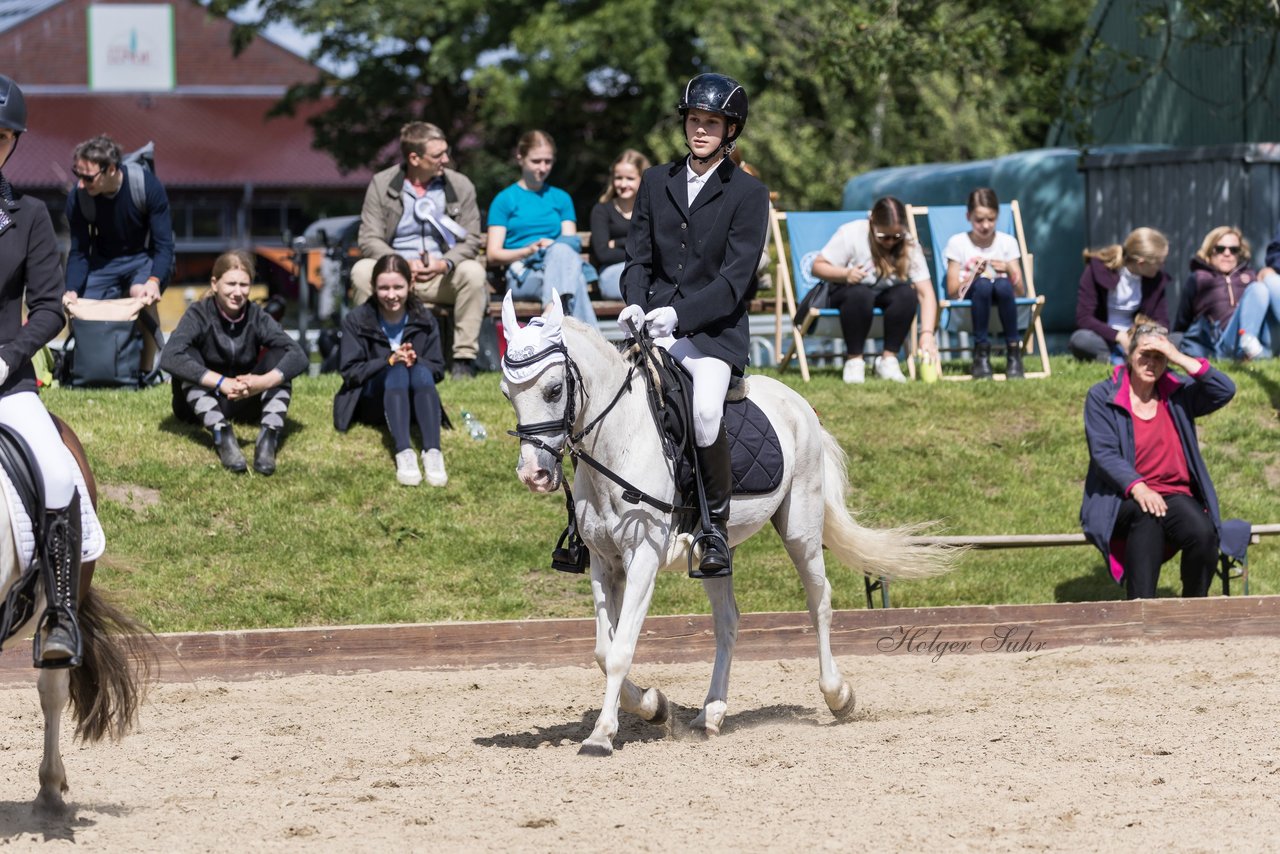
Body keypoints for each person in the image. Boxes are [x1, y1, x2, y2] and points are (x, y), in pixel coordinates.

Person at [619, 72, 770, 577]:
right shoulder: (654, 182)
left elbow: (733, 281)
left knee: (705, 411)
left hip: (713, 334)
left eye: (711, 123)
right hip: (654, 325)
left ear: (730, 131)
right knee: (603, 398)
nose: (700, 130)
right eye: (694, 120)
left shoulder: (749, 194)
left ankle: (714, 530)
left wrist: (680, 315)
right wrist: (635, 304)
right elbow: (637, 259)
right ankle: (585, 523)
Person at [0, 75, 87, 664]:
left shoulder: (28, 214)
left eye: (0, 137)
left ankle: (59, 617)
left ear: (12, 143)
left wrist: (7, 355)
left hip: (6, 381)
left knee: (59, 473)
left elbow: (52, 306)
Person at [1081, 316, 1234, 600]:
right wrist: (1138, 486)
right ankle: (1142, 606)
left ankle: (1194, 605)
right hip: (1122, 497)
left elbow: (1224, 390)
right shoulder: (1102, 396)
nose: (1152, 363)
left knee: (1203, 533)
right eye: (1145, 355)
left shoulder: (1178, 394)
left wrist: (1177, 355)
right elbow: (1103, 453)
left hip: (1174, 494)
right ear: (1130, 356)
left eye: (1159, 358)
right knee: (1147, 513)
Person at [351, 122, 487, 380]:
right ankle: (370, 353)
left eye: (446, 152)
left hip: (441, 276)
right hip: (395, 275)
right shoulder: (382, 184)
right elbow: (368, 238)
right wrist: (399, 264)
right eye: (438, 155)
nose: (445, 160)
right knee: (361, 271)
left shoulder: (460, 185)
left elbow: (471, 240)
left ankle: (463, 361)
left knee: (473, 272)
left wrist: (443, 263)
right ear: (414, 158)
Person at [160, 251, 308, 475]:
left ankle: (268, 437)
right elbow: (169, 356)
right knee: (186, 355)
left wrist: (262, 382)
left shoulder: (256, 315)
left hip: (243, 398)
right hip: (198, 405)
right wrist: (221, 382)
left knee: (281, 358)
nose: (238, 292)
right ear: (215, 283)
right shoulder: (198, 313)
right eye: (231, 284)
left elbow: (298, 355)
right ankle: (222, 434)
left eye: (244, 285)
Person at [335, 254, 448, 487]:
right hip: (372, 400)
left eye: (398, 287)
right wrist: (388, 360)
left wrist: (416, 360)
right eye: (384, 288)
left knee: (420, 371)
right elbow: (349, 371)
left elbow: (438, 369)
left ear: (410, 285)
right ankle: (404, 451)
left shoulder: (425, 319)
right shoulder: (356, 320)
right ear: (373, 288)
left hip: (414, 397)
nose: (391, 295)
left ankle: (433, 452)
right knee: (396, 370)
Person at [810, 196, 939, 384]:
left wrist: (927, 334)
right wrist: (845, 274)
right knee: (860, 293)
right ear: (872, 223)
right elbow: (817, 267)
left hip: (884, 299)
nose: (890, 242)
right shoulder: (852, 233)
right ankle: (854, 361)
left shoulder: (909, 244)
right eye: (883, 236)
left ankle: (888, 360)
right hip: (849, 298)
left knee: (906, 293)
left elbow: (926, 293)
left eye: (896, 236)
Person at [486, 130, 598, 326]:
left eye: (548, 161)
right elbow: (493, 254)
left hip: (557, 267)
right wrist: (528, 250)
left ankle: (549, 316)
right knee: (575, 279)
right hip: (524, 274)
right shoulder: (504, 200)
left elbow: (569, 244)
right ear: (520, 158)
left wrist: (551, 247)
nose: (543, 167)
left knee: (564, 257)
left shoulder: (561, 198)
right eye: (536, 161)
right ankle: (594, 346)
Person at [63, 134, 173, 306]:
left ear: (111, 169)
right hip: (104, 263)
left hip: (143, 258)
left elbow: (164, 245)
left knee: (141, 296)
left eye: (89, 178)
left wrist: (154, 281)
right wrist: (72, 290)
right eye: (77, 174)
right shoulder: (78, 198)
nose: (82, 183)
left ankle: (150, 333)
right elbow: (79, 251)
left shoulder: (147, 186)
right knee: (81, 306)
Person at [943, 188, 1025, 379]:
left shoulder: (1007, 243)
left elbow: (1020, 291)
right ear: (968, 216)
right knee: (983, 285)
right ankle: (981, 354)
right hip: (971, 303)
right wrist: (972, 275)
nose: (986, 225)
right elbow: (953, 292)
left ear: (997, 216)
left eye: (991, 219)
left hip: (1004, 300)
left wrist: (1010, 269)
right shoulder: (957, 243)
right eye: (979, 220)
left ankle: (1013, 353)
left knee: (1003, 285)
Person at [1175, 225, 1280, 361]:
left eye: (1234, 250)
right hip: (1223, 343)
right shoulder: (1199, 278)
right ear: (1210, 250)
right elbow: (1182, 321)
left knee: (1264, 285)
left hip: (1259, 338)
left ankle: (1254, 347)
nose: (1227, 253)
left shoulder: (1250, 275)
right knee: (1258, 288)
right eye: (1220, 249)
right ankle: (1247, 342)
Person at [1069, 228, 1171, 364]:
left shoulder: (1156, 280)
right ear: (1141, 263)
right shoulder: (1096, 271)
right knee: (1080, 340)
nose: (1162, 267)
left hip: (1138, 337)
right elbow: (1084, 318)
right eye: (1159, 263)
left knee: (1178, 339)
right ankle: (1117, 359)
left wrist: (1145, 337)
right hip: (1104, 337)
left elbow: (1161, 320)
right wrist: (1119, 336)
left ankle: (1136, 356)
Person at [588, 149, 650, 300]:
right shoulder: (601, 210)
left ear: (642, 178)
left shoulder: (652, 209)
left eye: (630, 178)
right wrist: (642, 255)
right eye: (618, 178)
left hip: (646, 271)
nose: (623, 184)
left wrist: (618, 242)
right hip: (613, 273)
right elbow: (603, 254)